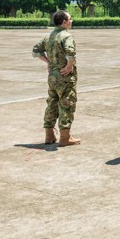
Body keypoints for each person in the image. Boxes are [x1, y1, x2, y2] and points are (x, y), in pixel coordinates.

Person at [33, 10, 80, 147]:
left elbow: (36, 51)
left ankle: (49, 134)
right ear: (64, 22)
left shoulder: (49, 36)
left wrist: (49, 62)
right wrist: (69, 66)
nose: (71, 21)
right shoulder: (66, 36)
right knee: (67, 104)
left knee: (52, 103)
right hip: (65, 77)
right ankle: (65, 137)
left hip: (52, 76)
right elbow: (71, 52)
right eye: (70, 19)